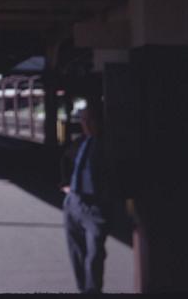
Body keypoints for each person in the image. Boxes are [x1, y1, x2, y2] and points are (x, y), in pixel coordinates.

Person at [60, 102, 112, 294]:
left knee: (95, 254)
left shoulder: (108, 145)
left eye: (90, 120)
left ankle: (92, 291)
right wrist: (65, 184)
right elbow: (65, 159)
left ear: (100, 122)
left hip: (95, 205)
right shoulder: (80, 142)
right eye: (83, 120)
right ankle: (83, 289)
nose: (86, 124)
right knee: (76, 252)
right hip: (73, 201)